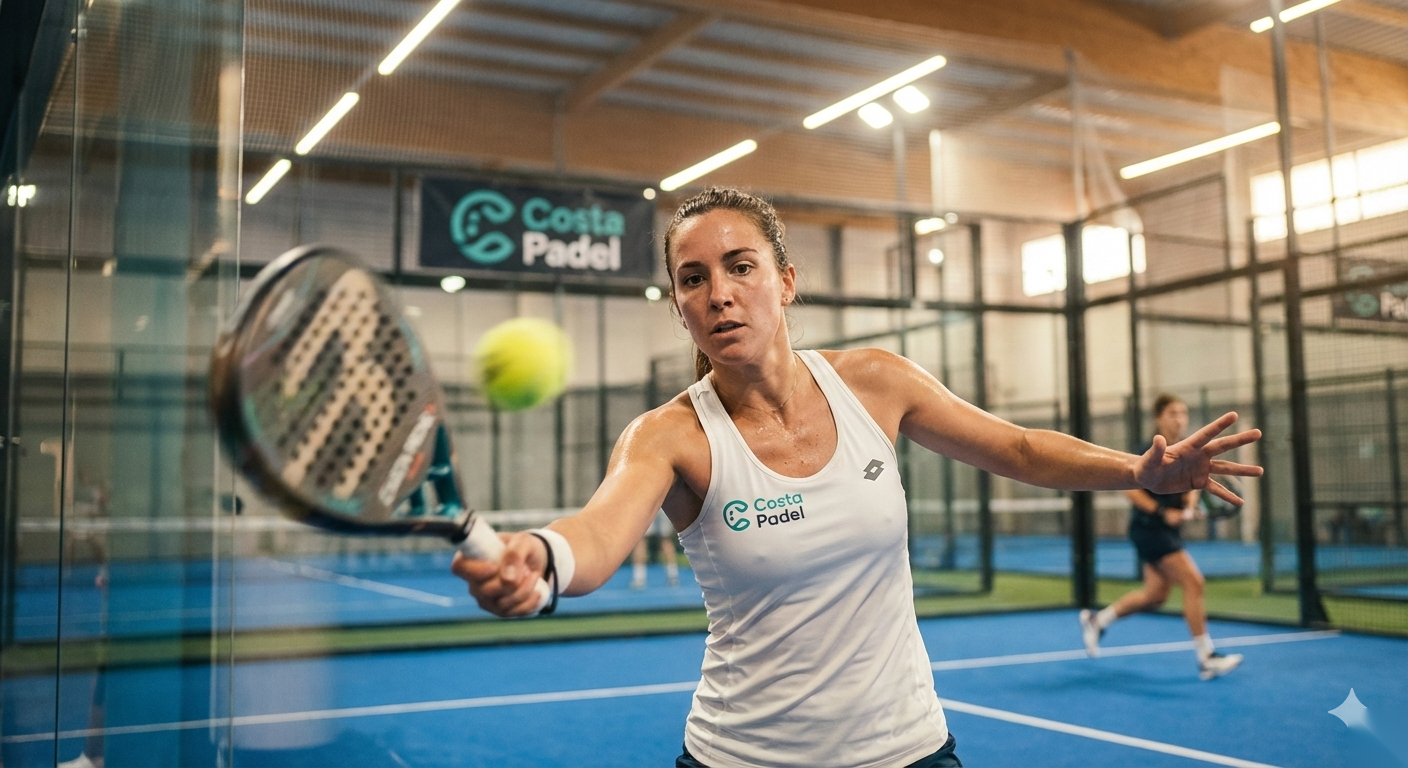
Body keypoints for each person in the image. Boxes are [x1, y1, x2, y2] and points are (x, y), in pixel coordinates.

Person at [453, 188, 1261, 768]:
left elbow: (1016, 448)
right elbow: (598, 533)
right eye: (694, 279)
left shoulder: (875, 381)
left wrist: (1138, 468)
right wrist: (542, 558)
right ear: (680, 306)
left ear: (786, 280)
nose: (720, 294)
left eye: (740, 267)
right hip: (743, 756)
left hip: (909, 748)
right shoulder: (669, 435)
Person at [1079, 393, 1244, 680]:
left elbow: (1190, 488)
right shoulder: (1147, 450)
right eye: (1172, 413)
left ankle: (1097, 620)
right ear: (1159, 418)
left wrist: (1189, 508)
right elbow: (1129, 489)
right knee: (1193, 582)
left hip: (1167, 530)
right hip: (1148, 529)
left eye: (1183, 413)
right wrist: (1161, 512)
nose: (1179, 419)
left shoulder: (1188, 451)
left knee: (1155, 595)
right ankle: (1206, 658)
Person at [631, 510, 681, 589]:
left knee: (641, 540)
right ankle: (673, 576)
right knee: (665, 539)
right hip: (662, 507)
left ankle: (639, 578)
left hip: (647, 506)